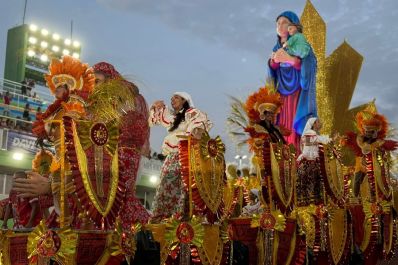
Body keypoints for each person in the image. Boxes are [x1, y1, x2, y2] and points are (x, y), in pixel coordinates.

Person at [149, 92, 212, 223]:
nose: (172, 99)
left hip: (187, 154)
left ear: (185, 100)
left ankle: (186, 218)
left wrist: (196, 132)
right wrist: (156, 107)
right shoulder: (173, 117)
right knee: (166, 184)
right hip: (172, 156)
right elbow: (152, 121)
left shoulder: (191, 112)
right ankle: (166, 217)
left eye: (176, 97)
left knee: (187, 187)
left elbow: (199, 128)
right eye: (171, 97)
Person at [268, 11, 317, 148]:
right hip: (281, 95)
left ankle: (301, 157)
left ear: (293, 26)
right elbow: (272, 71)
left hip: (298, 93)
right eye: (278, 23)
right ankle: (284, 160)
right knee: (281, 126)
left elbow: (309, 63)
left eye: (284, 22)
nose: (280, 26)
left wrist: (290, 60)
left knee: (297, 126)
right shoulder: (276, 48)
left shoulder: (301, 43)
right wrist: (274, 62)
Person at [296, 117, 331, 206]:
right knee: (310, 181)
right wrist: (330, 139)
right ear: (314, 124)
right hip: (309, 162)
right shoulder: (310, 133)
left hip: (313, 161)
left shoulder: (314, 134)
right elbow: (316, 140)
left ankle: (313, 202)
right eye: (318, 122)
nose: (320, 123)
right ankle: (310, 202)